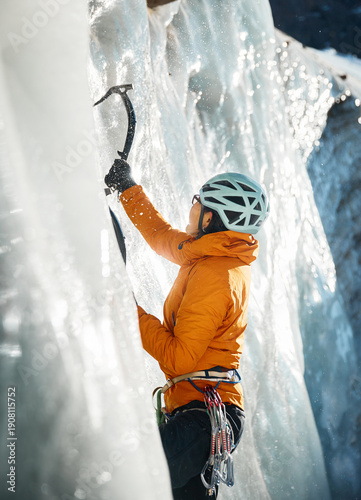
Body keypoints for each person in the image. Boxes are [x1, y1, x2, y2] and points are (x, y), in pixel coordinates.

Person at [105, 159, 270, 499]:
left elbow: (180, 359)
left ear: (211, 218)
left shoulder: (217, 276)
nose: (192, 206)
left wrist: (125, 308)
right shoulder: (214, 253)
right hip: (202, 415)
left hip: (203, 419)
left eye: (199, 201)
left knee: (126, 479)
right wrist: (128, 189)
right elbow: (163, 237)